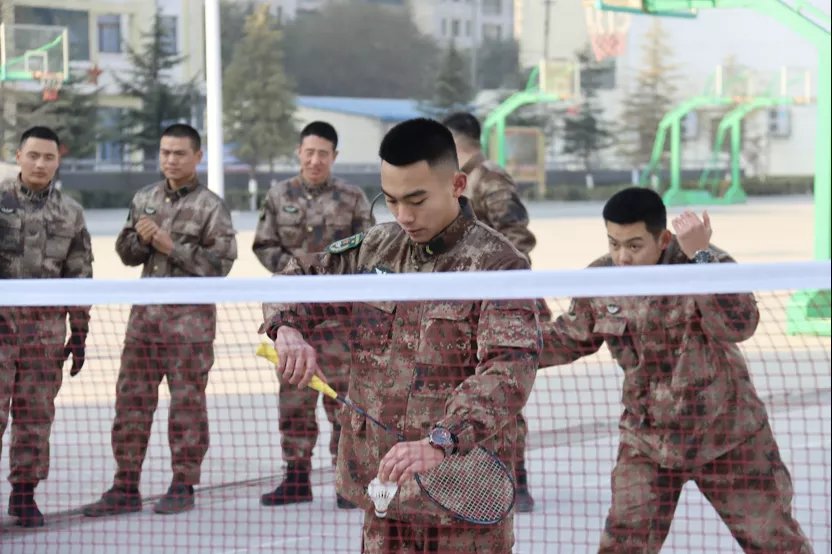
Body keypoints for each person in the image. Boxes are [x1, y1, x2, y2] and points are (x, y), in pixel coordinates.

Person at [262, 118, 539, 552]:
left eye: (416, 200)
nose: (403, 216)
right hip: (383, 492)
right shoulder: (376, 249)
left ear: (457, 184)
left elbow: (509, 371)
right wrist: (287, 329)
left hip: (459, 494)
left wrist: (442, 439)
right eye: (390, 200)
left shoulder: (498, 265)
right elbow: (293, 280)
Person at [540, 187, 813, 553]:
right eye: (614, 243)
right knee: (622, 545)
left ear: (663, 238)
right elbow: (568, 338)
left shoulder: (702, 264)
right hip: (648, 441)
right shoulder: (602, 278)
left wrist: (701, 254)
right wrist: (489, 351)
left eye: (635, 246)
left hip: (727, 436)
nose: (622, 257)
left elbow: (740, 324)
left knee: (775, 543)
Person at [82, 124, 237, 517]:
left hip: (190, 327)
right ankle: (125, 485)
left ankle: (183, 483)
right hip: (144, 323)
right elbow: (127, 253)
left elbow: (221, 266)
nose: (170, 159)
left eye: (179, 153)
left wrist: (172, 246)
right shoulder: (145, 197)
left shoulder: (211, 206)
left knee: (186, 404)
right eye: (165, 152)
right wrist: (140, 239)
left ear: (197, 156)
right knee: (131, 403)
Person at [253, 121, 373, 509]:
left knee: (342, 400)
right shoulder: (278, 195)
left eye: (323, 153)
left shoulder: (353, 198)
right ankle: (296, 477)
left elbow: (368, 251)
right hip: (292, 319)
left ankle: (346, 480)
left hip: (338, 321)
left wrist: (330, 278)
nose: (315, 159)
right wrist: (294, 274)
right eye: (309, 152)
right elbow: (263, 244)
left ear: (334, 157)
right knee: (294, 399)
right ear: (299, 152)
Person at [442, 111, 542, 512]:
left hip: (493, 301)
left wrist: (486, 276)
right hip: (460, 303)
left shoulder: (490, 179)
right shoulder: (456, 180)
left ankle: (515, 483)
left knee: (500, 388)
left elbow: (519, 238)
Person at [0, 126, 93, 528]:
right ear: (18, 155)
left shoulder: (70, 213)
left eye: (49, 157)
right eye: (33, 155)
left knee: (35, 415)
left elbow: (80, 273)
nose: (40, 164)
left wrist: (81, 331)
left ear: (58, 161)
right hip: (0, 329)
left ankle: (25, 494)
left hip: (44, 335)